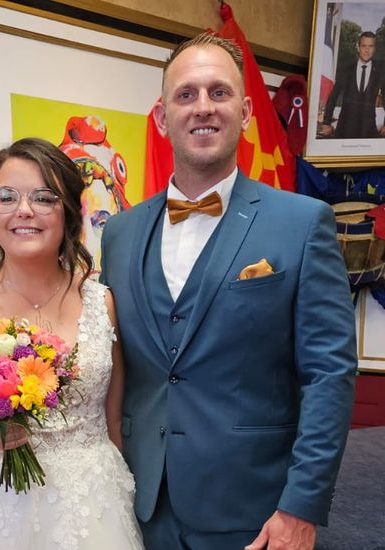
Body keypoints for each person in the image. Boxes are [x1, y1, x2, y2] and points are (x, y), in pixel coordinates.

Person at [100, 33, 357, 550]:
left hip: (255, 513)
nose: (203, 108)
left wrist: (300, 507)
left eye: (219, 93)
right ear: (161, 116)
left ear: (244, 113)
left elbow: (329, 374)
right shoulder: (119, 232)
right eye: (186, 94)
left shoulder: (303, 223)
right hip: (136, 502)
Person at [0, 137, 144, 549]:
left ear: (69, 213)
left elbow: (113, 421)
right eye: (7, 197)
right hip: (2, 508)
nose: (23, 211)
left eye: (43, 198)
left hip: (97, 504)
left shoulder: (102, 301)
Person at [320, 31, 385, 139]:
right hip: (344, 129)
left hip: (368, 130)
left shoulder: (380, 72)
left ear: (375, 48)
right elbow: (333, 96)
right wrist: (326, 122)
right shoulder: (346, 69)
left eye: (371, 46)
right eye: (364, 46)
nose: (367, 50)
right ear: (358, 47)